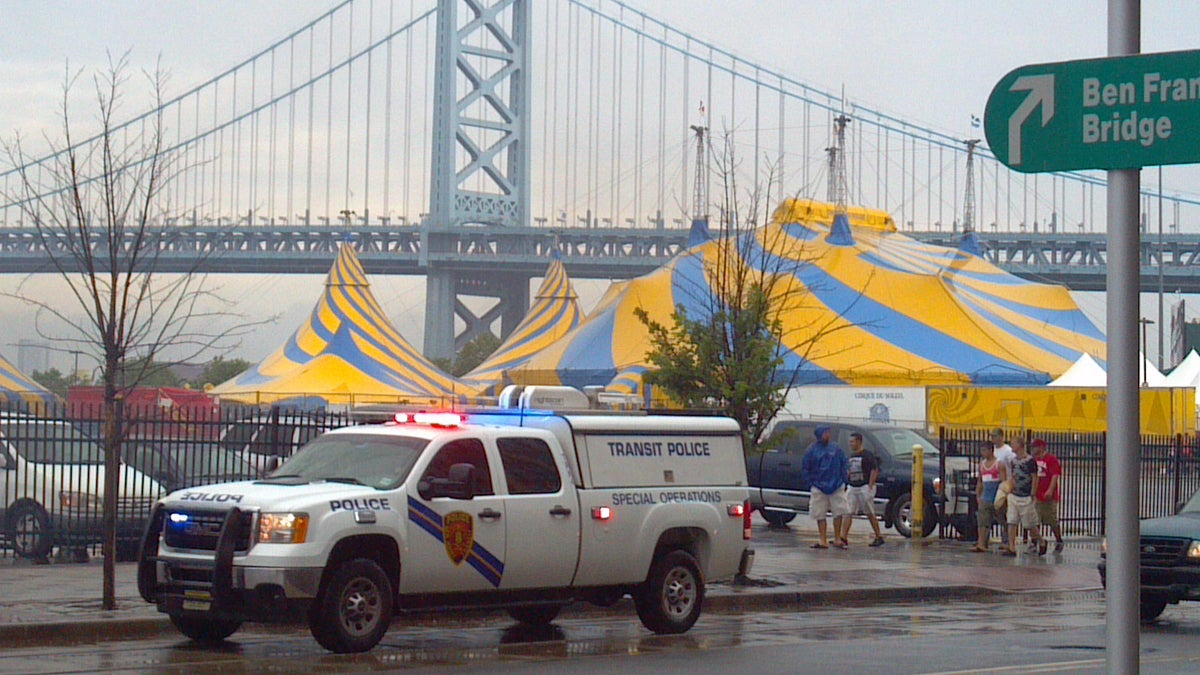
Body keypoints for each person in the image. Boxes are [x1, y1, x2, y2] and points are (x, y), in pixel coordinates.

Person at [801, 425, 850, 549]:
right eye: (826, 433)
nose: (828, 435)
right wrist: (811, 483)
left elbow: (844, 464)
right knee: (819, 513)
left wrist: (843, 480)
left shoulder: (836, 448)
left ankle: (837, 538)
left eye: (828, 432)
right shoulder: (811, 450)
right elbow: (806, 468)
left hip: (836, 484)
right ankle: (823, 539)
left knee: (838, 512)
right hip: (818, 485)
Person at [840, 432, 886, 547]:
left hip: (863, 486)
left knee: (870, 512)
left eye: (852, 441)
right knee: (848, 512)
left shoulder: (867, 455)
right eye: (850, 442)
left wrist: (870, 485)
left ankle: (878, 536)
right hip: (852, 486)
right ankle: (843, 537)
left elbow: (874, 470)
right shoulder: (851, 456)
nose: (850, 444)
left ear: (859, 442)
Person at [1004, 437, 1047, 556]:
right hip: (1014, 494)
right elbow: (1013, 475)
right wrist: (1010, 489)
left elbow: (1034, 477)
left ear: (1020, 445)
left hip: (1025, 495)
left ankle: (1041, 540)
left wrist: (1033, 493)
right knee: (1011, 521)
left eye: (1013, 444)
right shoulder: (1013, 461)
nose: (1011, 446)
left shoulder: (1030, 461)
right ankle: (1011, 547)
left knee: (1029, 524)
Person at [1032, 438, 1065, 553]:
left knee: (1052, 519)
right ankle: (1034, 542)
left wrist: (1050, 490)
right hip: (1037, 494)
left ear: (1041, 447)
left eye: (1035, 447)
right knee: (1035, 519)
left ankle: (1059, 539)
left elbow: (1055, 475)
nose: (1033, 449)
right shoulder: (1034, 460)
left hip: (1048, 495)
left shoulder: (1051, 459)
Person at [972, 440, 1006, 552]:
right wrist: (978, 495)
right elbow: (980, 482)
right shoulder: (981, 465)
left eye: (984, 450)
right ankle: (981, 543)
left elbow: (1003, 482)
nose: (982, 453)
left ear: (991, 450)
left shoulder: (999, 464)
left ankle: (1006, 542)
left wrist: (1002, 497)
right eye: (981, 450)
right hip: (985, 497)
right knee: (982, 521)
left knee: (1002, 520)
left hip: (996, 497)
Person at [990, 428, 1014, 545]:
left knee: (1003, 511)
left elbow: (1012, 466)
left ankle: (1006, 539)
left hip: (1004, 484)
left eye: (994, 436)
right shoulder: (992, 450)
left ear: (1001, 436)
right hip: (994, 483)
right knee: (997, 512)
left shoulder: (1007, 451)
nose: (992, 438)